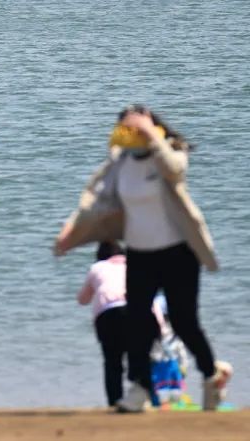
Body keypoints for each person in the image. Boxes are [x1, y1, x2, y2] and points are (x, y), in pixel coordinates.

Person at [55, 105, 232, 412]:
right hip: (139, 254)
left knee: (184, 321)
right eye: (127, 128)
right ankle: (138, 388)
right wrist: (70, 231)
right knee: (137, 321)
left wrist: (152, 135)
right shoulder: (120, 162)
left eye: (136, 128)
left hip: (178, 252)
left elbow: (175, 171)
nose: (132, 134)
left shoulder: (169, 152)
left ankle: (211, 374)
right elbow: (96, 198)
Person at [77, 241, 129, 408]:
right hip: (134, 312)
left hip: (107, 315)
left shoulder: (97, 268)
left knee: (112, 361)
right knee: (139, 357)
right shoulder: (133, 265)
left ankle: (115, 402)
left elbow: (82, 300)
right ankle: (144, 398)